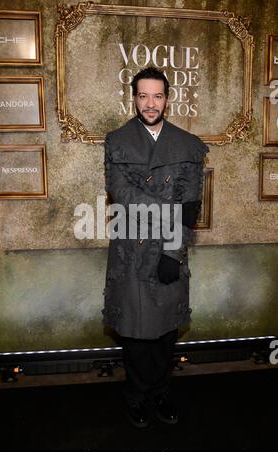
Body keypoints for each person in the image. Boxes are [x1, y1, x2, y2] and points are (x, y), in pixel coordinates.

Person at [103, 67, 209, 428]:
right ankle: (135, 395)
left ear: (167, 98)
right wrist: (171, 208)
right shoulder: (116, 140)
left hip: (169, 248)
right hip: (130, 252)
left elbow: (191, 205)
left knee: (164, 333)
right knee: (133, 333)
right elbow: (122, 193)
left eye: (157, 96)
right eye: (143, 96)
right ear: (133, 97)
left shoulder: (189, 144)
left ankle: (161, 392)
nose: (150, 103)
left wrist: (172, 252)